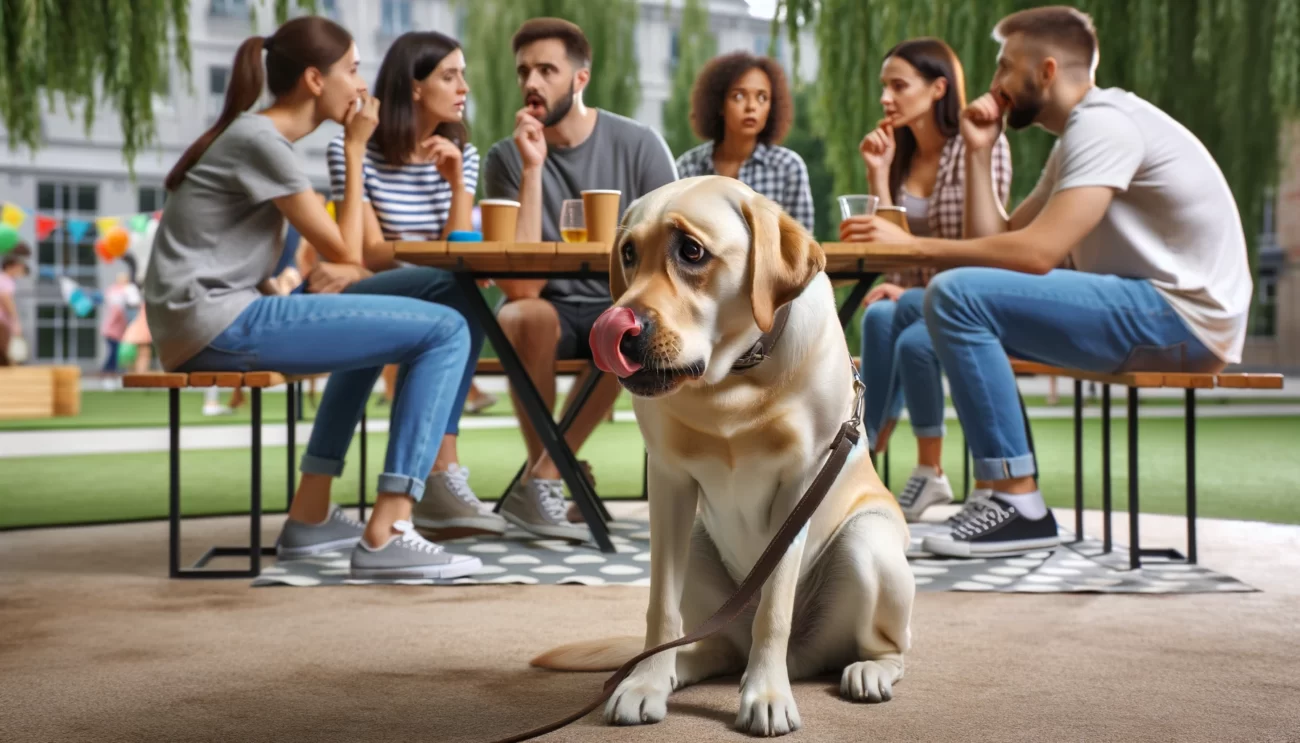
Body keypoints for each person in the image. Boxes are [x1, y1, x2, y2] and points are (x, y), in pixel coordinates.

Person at [856, 6, 1252, 557]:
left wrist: (913, 247)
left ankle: (1018, 501)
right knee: (925, 304)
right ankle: (979, 487)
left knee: (950, 294)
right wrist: (977, 150)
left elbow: (1037, 254)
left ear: (1045, 71)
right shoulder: (1077, 139)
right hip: (1150, 312)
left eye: (1004, 68)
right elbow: (995, 248)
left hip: (1180, 319)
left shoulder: (1105, 124)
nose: (994, 84)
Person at [143, 16, 482, 579]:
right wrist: (354, 148)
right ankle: (389, 530)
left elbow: (346, 263)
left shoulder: (260, 138)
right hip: (218, 324)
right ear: (314, 80)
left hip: (217, 318)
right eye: (351, 70)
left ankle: (309, 515)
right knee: (446, 329)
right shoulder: (260, 141)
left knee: (444, 288)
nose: (362, 85)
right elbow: (346, 252)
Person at [482, 17, 677, 540]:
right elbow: (520, 287)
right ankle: (557, 473)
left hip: (619, 300)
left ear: (580, 79)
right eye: (524, 70)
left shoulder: (639, 144)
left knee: (626, 324)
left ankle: (544, 475)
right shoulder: (505, 158)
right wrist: (531, 169)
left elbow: (672, 251)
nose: (532, 83)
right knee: (522, 315)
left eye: (548, 69)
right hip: (548, 305)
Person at [325, 30, 504, 538]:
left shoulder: (461, 156)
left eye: (462, 74)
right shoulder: (357, 151)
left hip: (438, 293)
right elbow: (364, 252)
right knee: (460, 290)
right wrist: (430, 256)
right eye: (450, 76)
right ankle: (441, 472)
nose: (464, 87)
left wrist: (455, 188)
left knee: (461, 288)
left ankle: (436, 476)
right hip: (380, 293)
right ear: (415, 87)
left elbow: (459, 246)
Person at [844, 38, 1012, 522]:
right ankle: (880, 457)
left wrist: (907, 285)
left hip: (972, 296)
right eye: (884, 87)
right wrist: (877, 177)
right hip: (918, 298)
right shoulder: (902, 155)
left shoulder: (978, 146)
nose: (886, 97)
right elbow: (893, 256)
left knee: (909, 338)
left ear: (939, 88)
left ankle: (889, 460)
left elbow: (983, 248)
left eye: (899, 85)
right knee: (879, 316)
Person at [674, 51, 814, 232]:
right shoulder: (688, 168)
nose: (751, 106)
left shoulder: (788, 167)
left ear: (772, 106)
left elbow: (802, 250)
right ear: (719, 104)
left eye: (762, 97)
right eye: (739, 96)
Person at [0, 251, 30, 366]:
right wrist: (15, 321)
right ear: (9, 266)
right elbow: (5, 299)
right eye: (18, 266)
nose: (20, 270)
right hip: (1, 322)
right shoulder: (6, 280)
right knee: (7, 352)